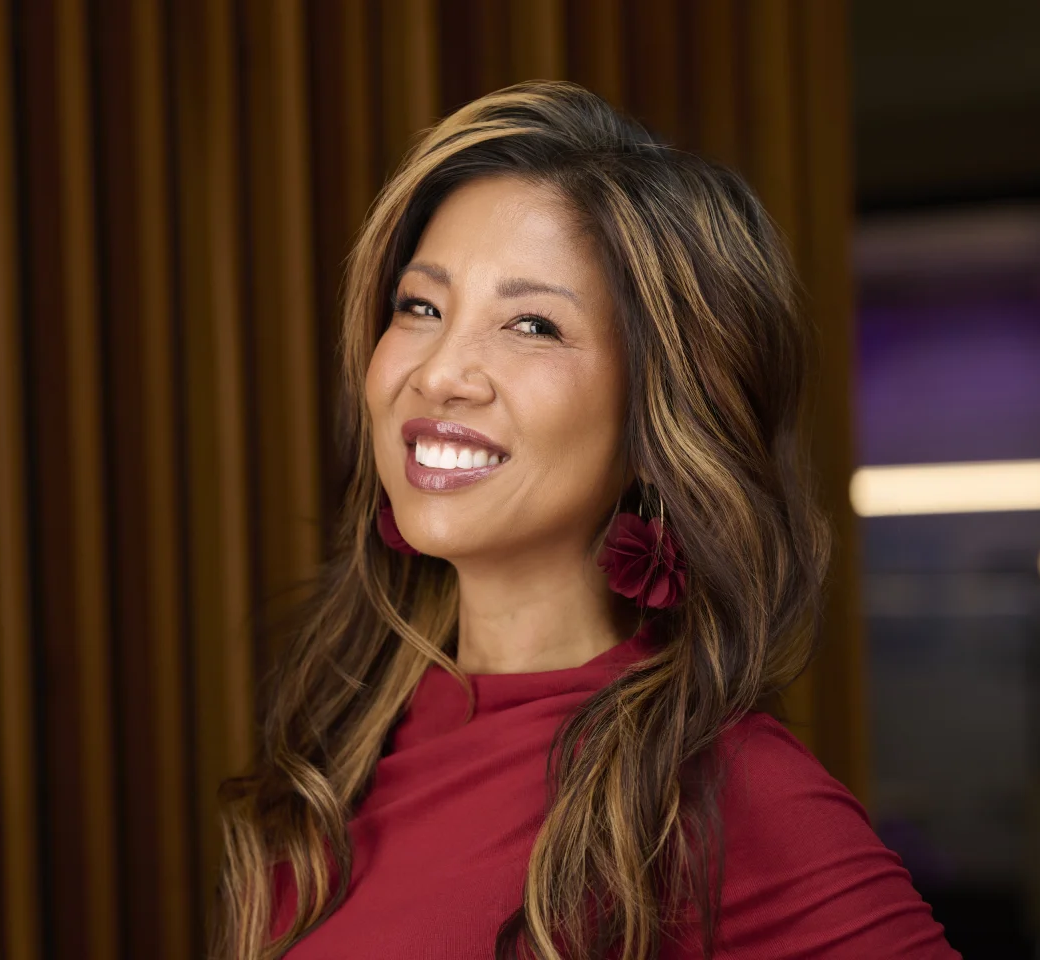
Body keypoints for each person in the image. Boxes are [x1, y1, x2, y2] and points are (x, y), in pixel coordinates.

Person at [211, 81, 959, 959]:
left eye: (532, 325)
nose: (443, 371)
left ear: (659, 413)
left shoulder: (727, 797)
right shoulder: (345, 738)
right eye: (421, 306)